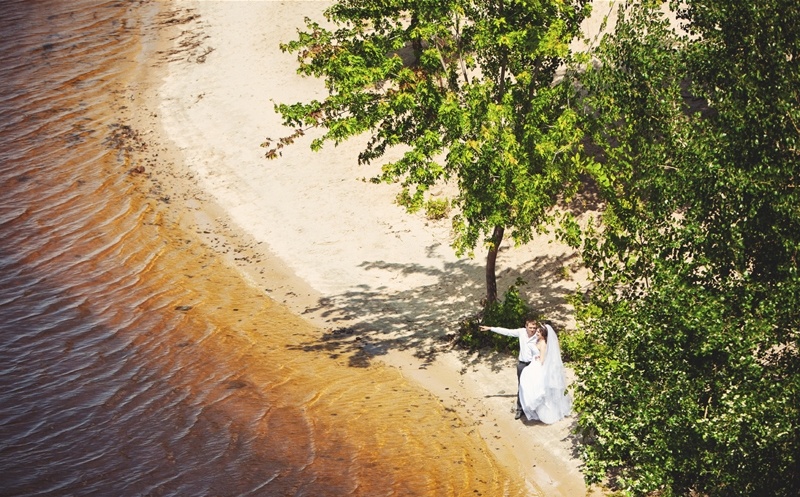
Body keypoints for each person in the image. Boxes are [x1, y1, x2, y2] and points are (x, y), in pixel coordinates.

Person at [479, 316, 541, 420]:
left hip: (533, 365)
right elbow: (507, 332)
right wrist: (491, 328)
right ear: (526, 327)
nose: (532, 330)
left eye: (534, 328)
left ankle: (533, 408)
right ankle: (519, 409)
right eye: (530, 328)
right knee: (521, 386)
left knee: (534, 387)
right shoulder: (521, 332)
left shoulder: (538, 336)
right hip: (522, 364)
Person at [518, 323, 572, 424]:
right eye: (537, 331)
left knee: (538, 389)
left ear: (544, 334)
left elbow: (542, 359)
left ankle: (544, 412)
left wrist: (537, 362)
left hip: (538, 365)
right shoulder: (538, 340)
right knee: (529, 385)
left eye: (539, 332)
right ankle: (532, 407)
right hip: (534, 363)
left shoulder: (543, 344)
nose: (536, 333)